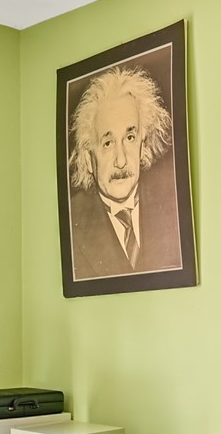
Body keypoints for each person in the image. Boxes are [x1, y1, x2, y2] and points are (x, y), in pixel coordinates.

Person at [65, 63, 181, 279]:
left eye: (130, 138)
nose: (121, 161)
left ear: (143, 146)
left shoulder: (172, 201)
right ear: (89, 159)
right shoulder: (72, 222)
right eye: (108, 143)